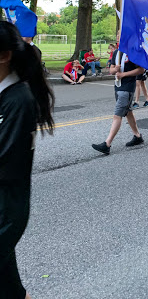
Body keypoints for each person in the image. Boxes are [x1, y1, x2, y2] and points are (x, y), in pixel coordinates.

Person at [0, 21, 54, 299]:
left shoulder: (18, 100)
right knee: (10, 290)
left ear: (4, 55)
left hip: (5, 211)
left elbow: (6, 162)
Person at [91, 46, 145, 155]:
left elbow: (141, 69)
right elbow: (111, 68)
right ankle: (138, 136)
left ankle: (107, 144)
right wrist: (114, 70)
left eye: (121, 35)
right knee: (128, 112)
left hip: (127, 88)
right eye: (118, 36)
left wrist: (124, 74)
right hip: (118, 86)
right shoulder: (117, 52)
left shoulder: (133, 51)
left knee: (118, 114)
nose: (119, 38)